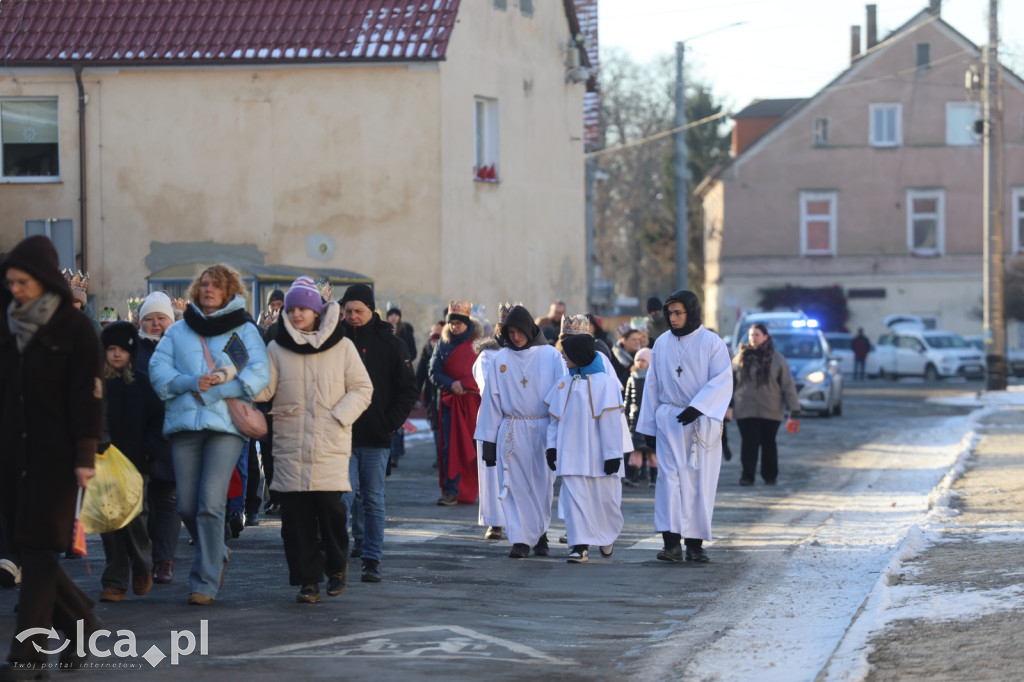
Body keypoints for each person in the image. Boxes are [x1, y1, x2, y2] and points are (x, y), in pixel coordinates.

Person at [0, 236, 104, 675]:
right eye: (11, 283)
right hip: (11, 456)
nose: (16, 290)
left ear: (42, 281)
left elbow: (88, 398)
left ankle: (27, 657)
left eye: (22, 282)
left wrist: (85, 455)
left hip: (59, 458)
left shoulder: (75, 329)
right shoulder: (7, 324)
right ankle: (81, 622)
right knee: (30, 550)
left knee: (41, 552)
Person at [149, 264, 270, 605]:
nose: (207, 289)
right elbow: (158, 371)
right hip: (184, 425)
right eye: (203, 284)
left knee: (211, 501)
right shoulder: (179, 330)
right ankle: (216, 550)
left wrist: (218, 390)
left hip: (226, 427)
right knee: (187, 504)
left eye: (215, 285)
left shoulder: (244, 330)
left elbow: (260, 374)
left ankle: (204, 582)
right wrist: (190, 383)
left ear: (229, 290)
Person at [255, 276, 373, 603]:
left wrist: (339, 417)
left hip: (329, 446)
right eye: (291, 309)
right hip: (290, 444)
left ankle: (336, 568)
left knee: (332, 513)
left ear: (316, 311)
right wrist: (243, 374)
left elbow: (363, 389)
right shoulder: (276, 348)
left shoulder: (343, 346)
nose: (295, 315)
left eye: (302, 308)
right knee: (295, 522)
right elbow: (264, 390)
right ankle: (308, 581)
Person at [636, 290, 732, 564]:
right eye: (670, 313)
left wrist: (699, 406)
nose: (673, 318)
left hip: (701, 424)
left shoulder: (711, 342)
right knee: (669, 481)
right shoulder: (663, 343)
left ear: (691, 312)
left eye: (679, 313)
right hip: (670, 419)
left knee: (698, 482)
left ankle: (695, 544)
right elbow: (652, 385)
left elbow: (723, 379)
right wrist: (649, 427)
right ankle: (671, 542)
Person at [339, 284, 418, 583]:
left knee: (372, 499)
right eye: (348, 311)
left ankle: (372, 558)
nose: (353, 316)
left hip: (376, 436)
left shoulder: (391, 343)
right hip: (341, 433)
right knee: (342, 499)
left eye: (358, 311)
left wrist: (390, 423)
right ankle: (336, 556)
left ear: (371, 310)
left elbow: (408, 389)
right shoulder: (337, 340)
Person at [475, 305, 566, 559]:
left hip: (542, 428)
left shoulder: (550, 355)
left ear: (529, 329)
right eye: (510, 331)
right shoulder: (501, 359)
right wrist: (489, 443)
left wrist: (557, 438)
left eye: (519, 330)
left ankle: (541, 535)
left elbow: (561, 395)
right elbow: (491, 402)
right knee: (514, 486)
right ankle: (520, 540)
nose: (515, 336)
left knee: (541, 485)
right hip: (512, 429)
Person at [544, 333, 625, 563]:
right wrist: (552, 448)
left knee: (604, 500)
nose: (563, 357)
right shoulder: (563, 383)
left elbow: (611, 422)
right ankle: (579, 546)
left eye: (567, 353)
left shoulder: (606, 383)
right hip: (571, 455)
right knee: (574, 499)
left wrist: (612, 455)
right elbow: (554, 421)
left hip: (599, 454)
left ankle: (606, 536)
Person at [97, 321, 156, 603]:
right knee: (110, 522)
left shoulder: (142, 384)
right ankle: (115, 580)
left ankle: (143, 565)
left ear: (131, 353)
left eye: (122, 349)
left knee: (134, 517)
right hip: (103, 464)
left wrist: (149, 451)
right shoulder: (97, 386)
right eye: (111, 349)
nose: (117, 355)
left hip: (135, 464)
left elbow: (157, 420)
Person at [135, 291, 181, 585]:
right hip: (137, 436)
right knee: (137, 502)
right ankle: (141, 558)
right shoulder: (132, 348)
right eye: (149, 319)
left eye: (160, 318)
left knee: (166, 499)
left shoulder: (181, 347)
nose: (155, 324)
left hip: (172, 434)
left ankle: (164, 560)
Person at [732, 324, 801, 486]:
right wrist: (726, 405)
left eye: (757, 334)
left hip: (770, 409)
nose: (753, 338)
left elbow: (787, 385)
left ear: (765, 337)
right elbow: (730, 382)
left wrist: (794, 408)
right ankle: (747, 476)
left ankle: (770, 475)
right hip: (745, 408)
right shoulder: (740, 357)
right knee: (749, 443)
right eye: (751, 335)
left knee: (768, 442)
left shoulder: (777, 358)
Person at [429, 300, 482, 506]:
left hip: (473, 403)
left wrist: (465, 383)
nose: (454, 327)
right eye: (452, 323)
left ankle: (474, 488)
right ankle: (451, 490)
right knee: (449, 447)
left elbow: (485, 371)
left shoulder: (479, 343)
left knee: (475, 446)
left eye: (458, 323)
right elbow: (434, 372)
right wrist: (452, 384)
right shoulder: (443, 343)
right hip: (451, 403)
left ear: (467, 323)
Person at [472, 305, 509, 540]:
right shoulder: (488, 355)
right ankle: (495, 522)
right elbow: (487, 388)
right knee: (493, 470)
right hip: (495, 417)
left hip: (522, 419)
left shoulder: (531, 354)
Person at [624, 347, 657, 487]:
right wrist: (625, 413)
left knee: (652, 453)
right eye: (638, 360)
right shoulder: (632, 378)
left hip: (651, 418)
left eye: (644, 360)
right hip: (635, 418)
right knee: (635, 451)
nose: (641, 363)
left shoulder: (655, 377)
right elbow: (627, 398)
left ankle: (654, 479)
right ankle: (632, 478)